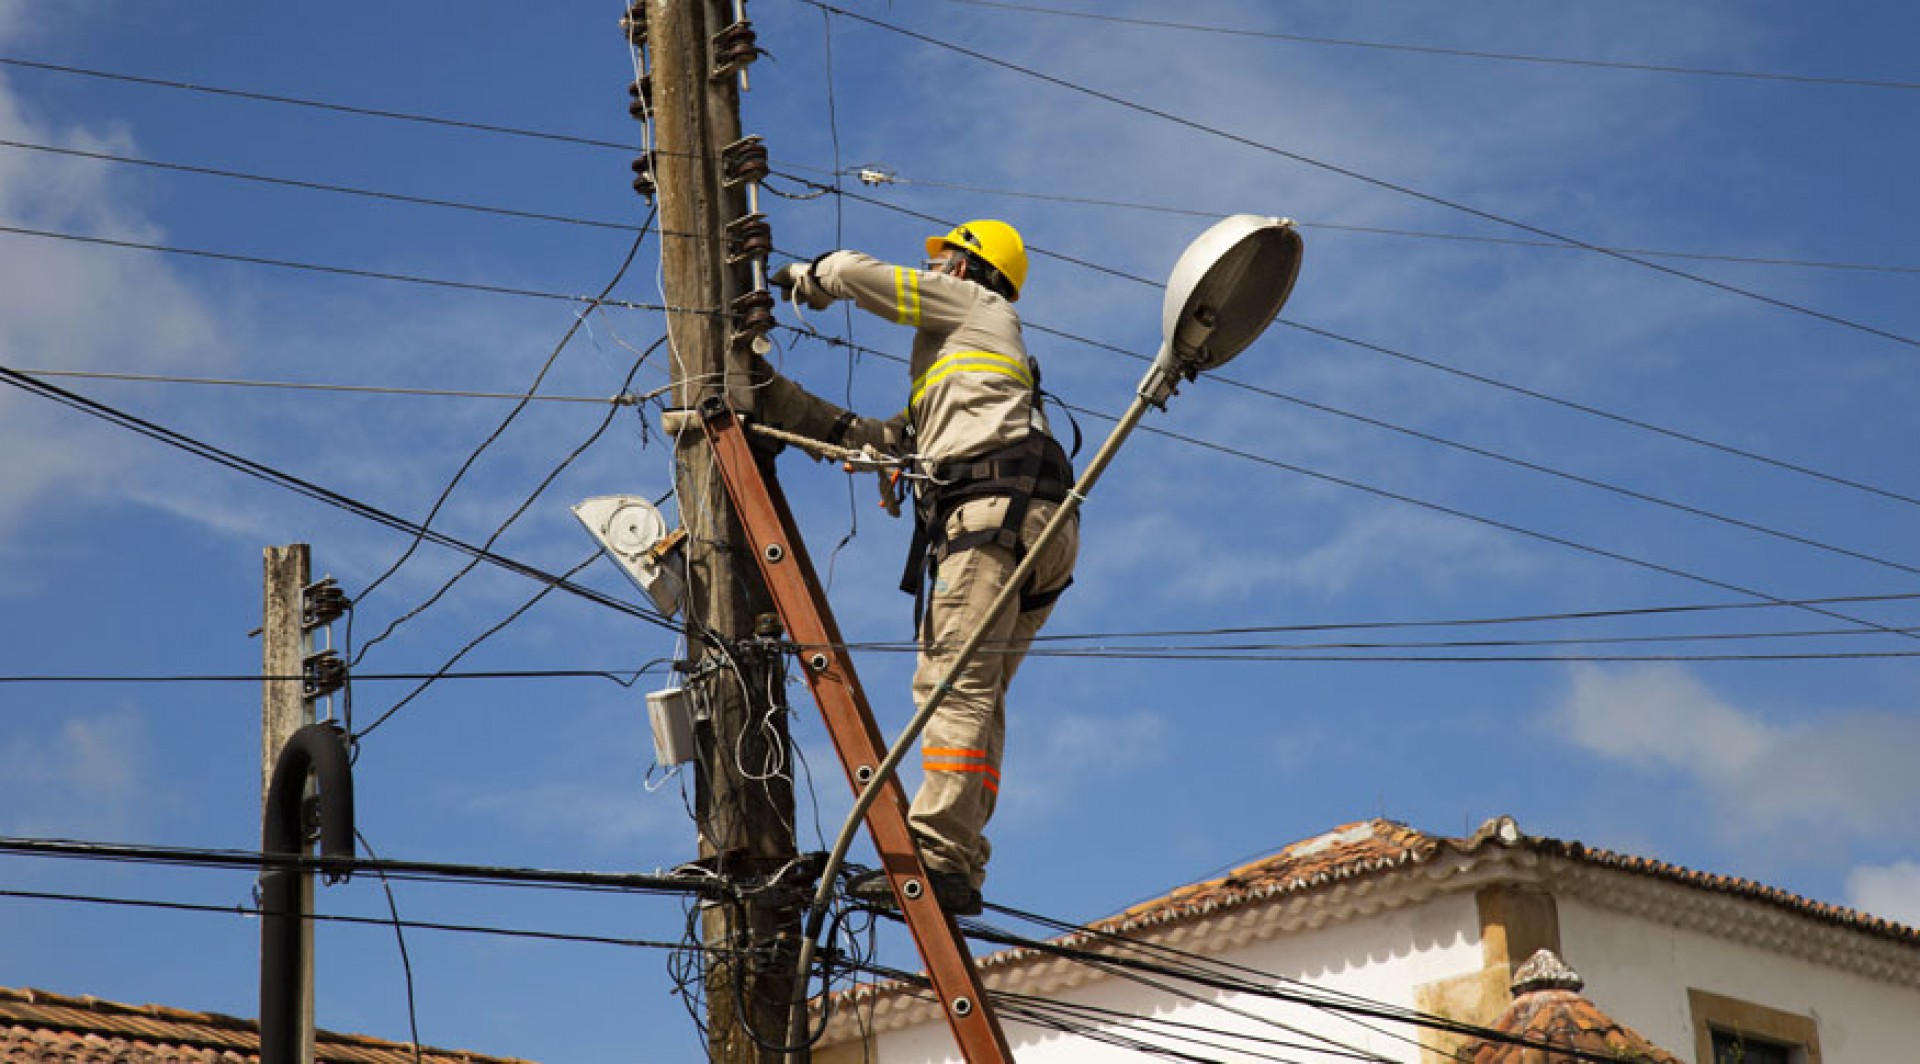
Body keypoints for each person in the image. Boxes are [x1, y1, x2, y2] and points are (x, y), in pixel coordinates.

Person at [770, 220, 1078, 915]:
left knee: (952, 684)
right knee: (980, 694)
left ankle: (938, 856)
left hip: (996, 516)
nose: (931, 269)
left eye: (942, 262)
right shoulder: (959, 372)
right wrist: (776, 398)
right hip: (1035, 525)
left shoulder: (979, 308)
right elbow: (879, 443)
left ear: (967, 270)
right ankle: (960, 859)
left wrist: (808, 278)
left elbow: (855, 273)